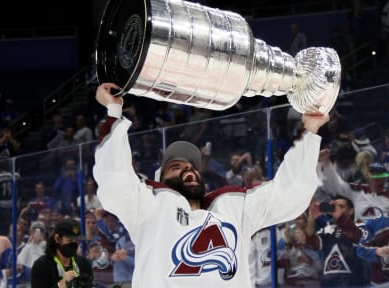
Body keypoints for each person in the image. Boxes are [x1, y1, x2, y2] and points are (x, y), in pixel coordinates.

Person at [92, 82, 329, 288]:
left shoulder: (234, 206)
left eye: (192, 167)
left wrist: (310, 131)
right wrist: (114, 111)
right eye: (176, 167)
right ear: (161, 179)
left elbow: (290, 193)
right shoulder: (150, 205)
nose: (188, 168)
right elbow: (115, 179)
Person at [30, 218, 94, 288]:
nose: (74, 244)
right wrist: (61, 285)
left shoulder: (84, 263)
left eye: (77, 241)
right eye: (69, 240)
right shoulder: (42, 265)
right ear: (57, 238)